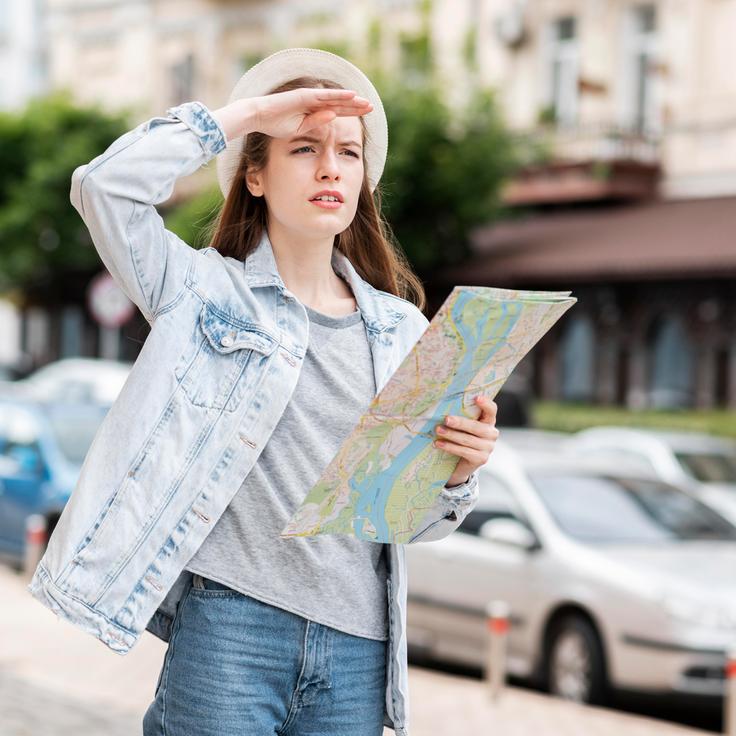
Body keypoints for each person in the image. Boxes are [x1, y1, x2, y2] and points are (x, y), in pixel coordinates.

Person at [27, 48, 499, 735]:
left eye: (348, 151)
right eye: (303, 148)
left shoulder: (401, 330)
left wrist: (458, 472)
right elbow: (104, 188)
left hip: (358, 648)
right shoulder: (201, 291)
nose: (330, 167)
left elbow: (403, 522)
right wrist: (248, 114)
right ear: (255, 174)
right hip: (232, 627)